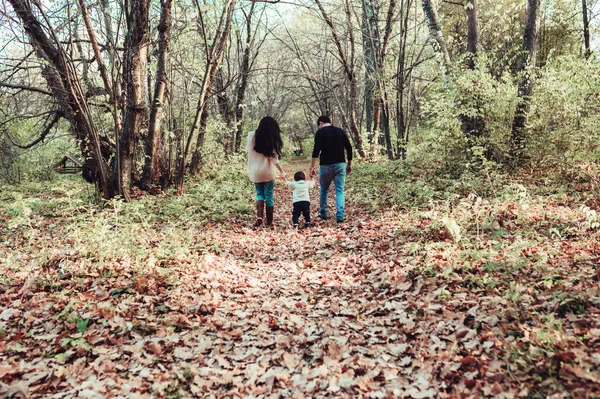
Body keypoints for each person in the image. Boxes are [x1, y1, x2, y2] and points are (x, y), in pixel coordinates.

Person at [309, 116, 352, 223]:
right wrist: (349, 164)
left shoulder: (320, 133)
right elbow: (349, 147)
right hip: (340, 164)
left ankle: (323, 213)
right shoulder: (340, 131)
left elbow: (316, 151)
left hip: (325, 165)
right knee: (340, 190)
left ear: (321, 122)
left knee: (324, 190)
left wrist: (312, 167)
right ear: (330, 122)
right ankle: (340, 216)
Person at [247, 116, 286, 227]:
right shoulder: (270, 139)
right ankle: (269, 221)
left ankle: (259, 217)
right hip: (268, 172)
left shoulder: (251, 135)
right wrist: (282, 171)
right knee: (269, 195)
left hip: (255, 171)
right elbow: (273, 158)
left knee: (259, 194)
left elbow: (248, 151)